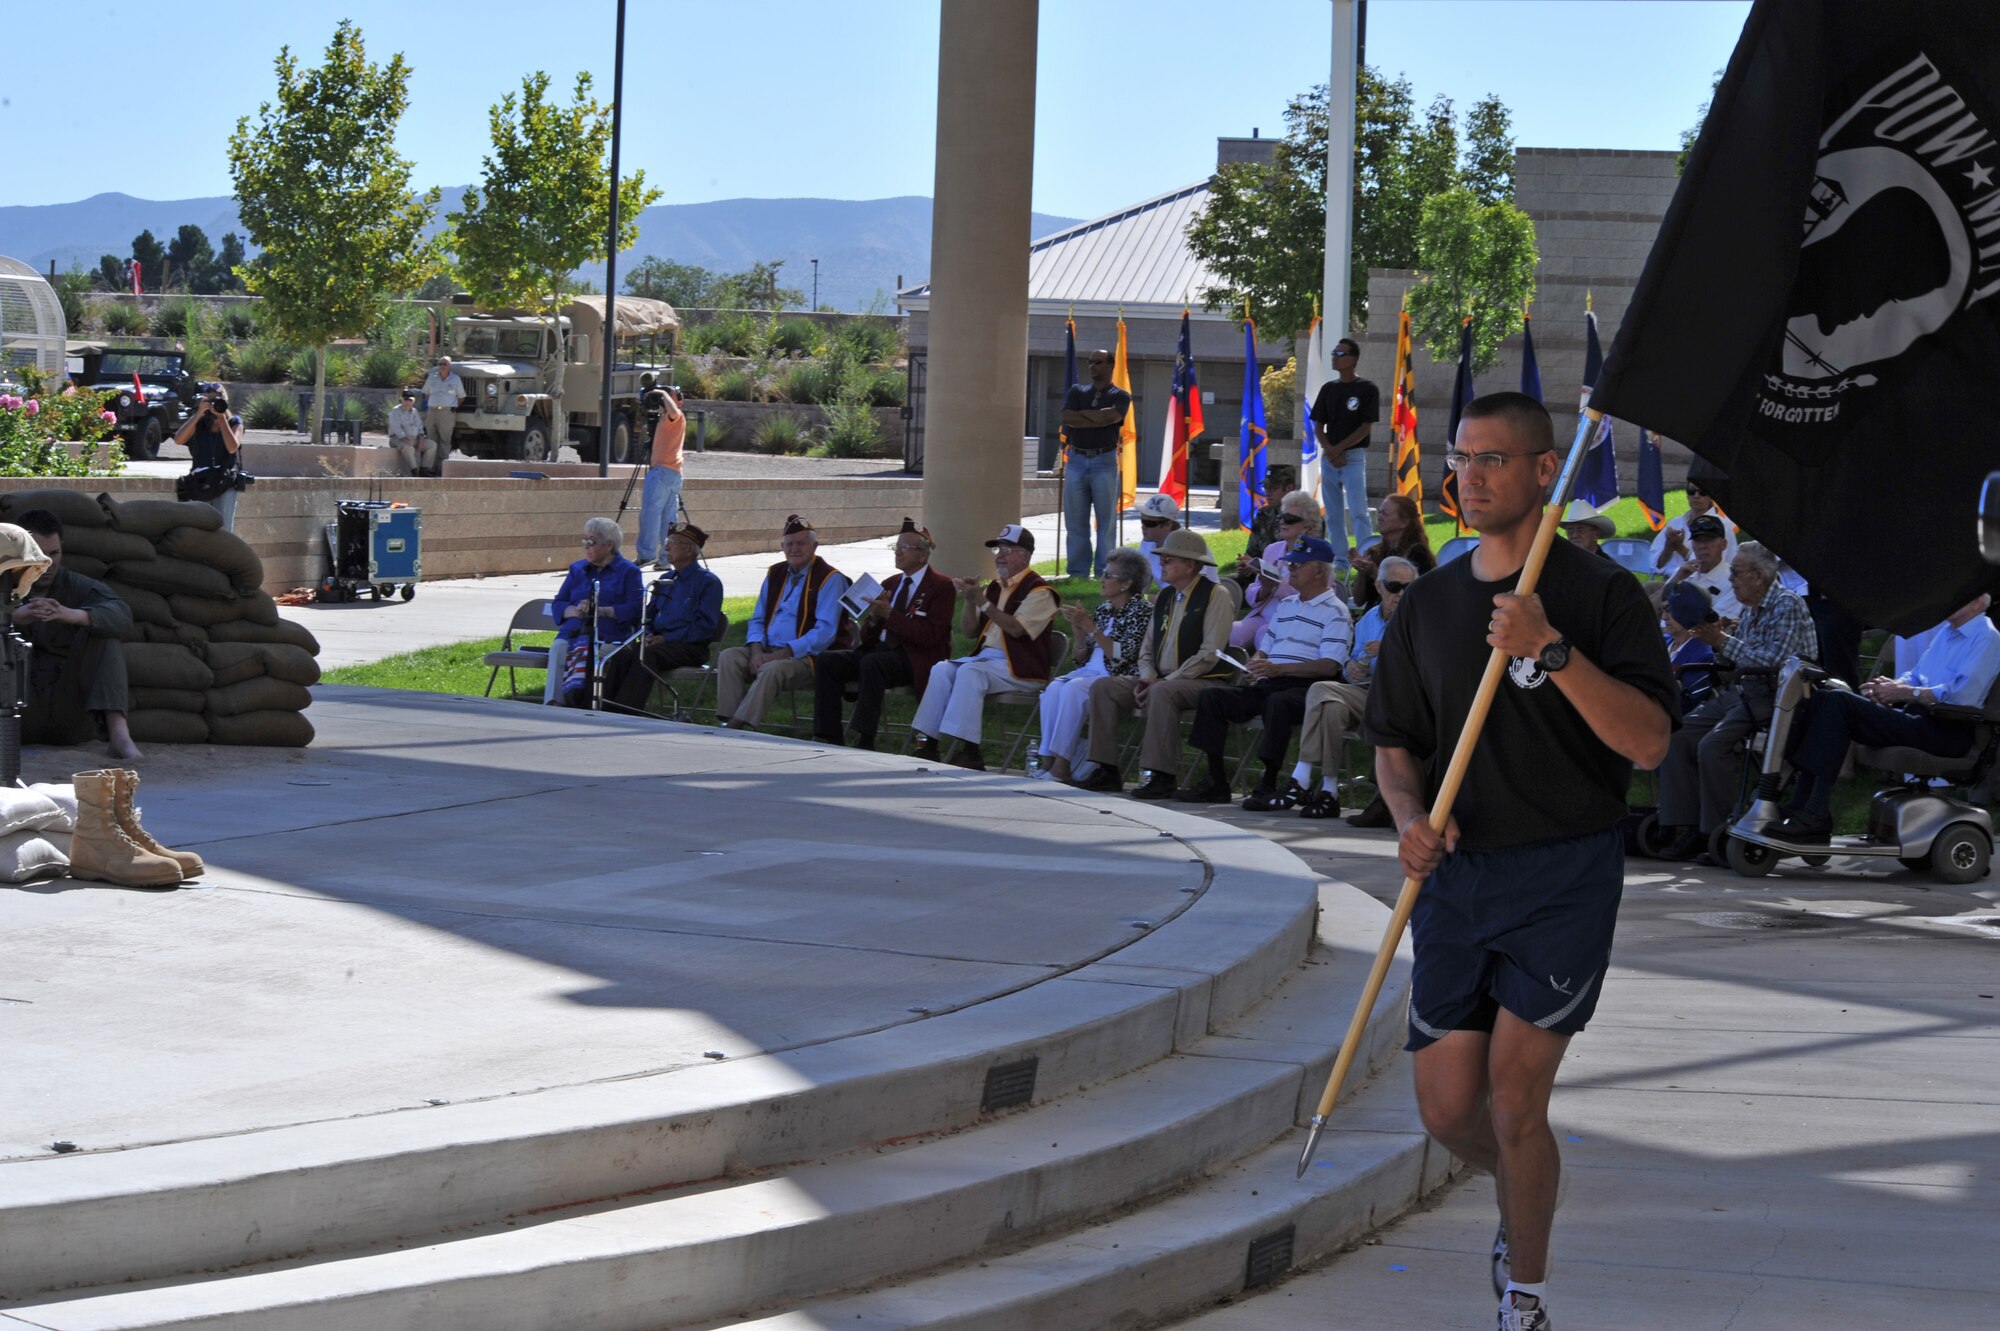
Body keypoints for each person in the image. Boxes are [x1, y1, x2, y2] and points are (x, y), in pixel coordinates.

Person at [1362, 392, 1675, 1331]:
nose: (1471, 475)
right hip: (1455, 881)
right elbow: (1393, 747)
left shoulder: (1603, 595)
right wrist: (1411, 818)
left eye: (1495, 458)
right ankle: (1524, 1192)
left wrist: (1550, 647)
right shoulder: (1428, 603)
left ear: (1547, 469)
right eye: (1463, 457)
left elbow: (1651, 743)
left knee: (1512, 1097)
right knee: (1449, 1110)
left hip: (1562, 876)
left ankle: (1525, 1295)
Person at [1773, 594, 2000, 841]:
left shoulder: (1987, 638)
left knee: (1838, 702)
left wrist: (1906, 692)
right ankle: (1802, 808)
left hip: (1948, 730)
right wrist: (1891, 685)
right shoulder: (1947, 632)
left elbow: (1962, 697)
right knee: (1825, 699)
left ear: (1978, 602)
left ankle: (1813, 814)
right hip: (1920, 719)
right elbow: (1916, 676)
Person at [1653, 541, 1818, 859]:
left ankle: (1714, 831)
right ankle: (1681, 823)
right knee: (1678, 734)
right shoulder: (1752, 608)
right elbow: (1738, 659)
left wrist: (1723, 640)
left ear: (1758, 576)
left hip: (1779, 697)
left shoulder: (1787, 604)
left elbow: (1775, 660)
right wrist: (1717, 640)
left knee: (1712, 746)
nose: (1731, 580)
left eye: (1736, 573)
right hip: (1744, 691)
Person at [1178, 536, 1354, 808]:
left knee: (1278, 703)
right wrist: (1256, 664)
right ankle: (1215, 781)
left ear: (1319, 570)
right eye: (1290, 564)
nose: (1290, 569)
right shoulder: (1286, 605)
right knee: (1212, 697)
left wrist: (1277, 668)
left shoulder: (1336, 612)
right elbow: (1266, 648)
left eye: (1298, 565)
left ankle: (1268, 783)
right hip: (1271, 680)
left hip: (1311, 688)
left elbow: (1330, 665)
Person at [1074, 528, 1236, 797]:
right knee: (1104, 687)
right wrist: (1147, 675)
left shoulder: (1215, 595)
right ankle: (1105, 769)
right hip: (1160, 680)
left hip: (1202, 681)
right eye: (1162, 558)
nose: (1162, 562)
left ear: (1190, 565)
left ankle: (1161, 775)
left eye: (1169, 559)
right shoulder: (1165, 597)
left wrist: (1166, 681)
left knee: (1162, 692)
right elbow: (1147, 648)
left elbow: (1210, 653)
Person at [911, 523, 1060, 771]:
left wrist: (982, 601)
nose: (1000, 556)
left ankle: (970, 752)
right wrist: (971, 602)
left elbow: (1015, 629)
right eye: (997, 550)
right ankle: (928, 744)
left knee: (970, 673)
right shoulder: (994, 587)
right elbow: (970, 632)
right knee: (941, 669)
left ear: (1024, 555)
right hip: (988, 662)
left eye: (1007, 550)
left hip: (1022, 667)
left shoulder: (1040, 591)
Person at [812, 518, 956, 750]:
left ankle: (864, 736)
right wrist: (875, 618)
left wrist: (890, 615)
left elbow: (931, 636)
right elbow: (870, 636)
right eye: (895, 547)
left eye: (904, 548)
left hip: (913, 657)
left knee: (873, 663)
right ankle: (828, 735)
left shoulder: (941, 586)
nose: (897, 552)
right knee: (828, 660)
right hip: (879, 652)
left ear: (922, 555)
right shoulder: (890, 582)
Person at [11, 511, 142, 761]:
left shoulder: (77, 585)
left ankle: (119, 737)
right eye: (37, 554)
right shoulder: (5, 584)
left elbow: (122, 616)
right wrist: (13, 617)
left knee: (104, 633)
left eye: (54, 553)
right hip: (16, 711)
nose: (47, 563)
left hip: (67, 710)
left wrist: (74, 615)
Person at [1300, 554, 1416, 825]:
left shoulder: (1419, 620)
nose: (1400, 594)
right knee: (1328, 702)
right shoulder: (1367, 622)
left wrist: (1389, 652)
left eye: (1408, 588)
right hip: (1367, 692)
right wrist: (1353, 669)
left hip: (1400, 697)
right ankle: (1328, 789)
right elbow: (1352, 667)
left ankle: (1308, 778)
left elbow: (1424, 668)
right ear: (1379, 587)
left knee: (1324, 696)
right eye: (1394, 587)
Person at [716, 515, 851, 731]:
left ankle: (737, 725)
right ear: (782, 546)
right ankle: (726, 718)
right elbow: (758, 618)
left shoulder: (830, 578)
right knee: (729, 657)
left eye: (801, 543)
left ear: (815, 546)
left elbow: (824, 633)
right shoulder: (775, 573)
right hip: (769, 649)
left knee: (773, 670)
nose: (794, 549)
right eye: (789, 544)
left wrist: (780, 654)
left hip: (807, 658)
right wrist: (756, 651)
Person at [1034, 547, 1152, 783]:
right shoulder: (1104, 609)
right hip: (1089, 671)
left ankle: (1062, 766)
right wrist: (1078, 631)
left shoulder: (1142, 611)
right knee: (1053, 689)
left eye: (1108, 575)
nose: (1102, 579)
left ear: (1126, 583)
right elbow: (1080, 658)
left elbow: (1122, 655)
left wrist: (1090, 627)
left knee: (1072, 689)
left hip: (1117, 676)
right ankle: (1048, 761)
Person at [601, 521, 724, 717]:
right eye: (667, 542)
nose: (666, 548)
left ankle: (625, 712)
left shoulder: (708, 582)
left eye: (672, 542)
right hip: (658, 642)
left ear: (690, 550)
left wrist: (667, 639)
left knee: (648, 656)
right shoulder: (667, 578)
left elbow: (704, 627)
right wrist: (648, 634)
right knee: (623, 653)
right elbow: (648, 615)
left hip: (690, 647)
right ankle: (604, 710)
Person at [549, 516, 645, 707]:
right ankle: (554, 704)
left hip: (610, 636)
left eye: (591, 542)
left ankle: (586, 706)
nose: (586, 546)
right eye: (584, 541)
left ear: (609, 545)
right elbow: (558, 604)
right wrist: (575, 610)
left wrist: (603, 611)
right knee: (560, 648)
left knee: (595, 655)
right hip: (575, 633)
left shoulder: (629, 572)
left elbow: (636, 609)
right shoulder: (577, 569)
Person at [1059, 348, 1131, 578]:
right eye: (1090, 362)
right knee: (1075, 521)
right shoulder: (1077, 391)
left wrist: (1084, 416)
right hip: (1077, 459)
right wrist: (1097, 417)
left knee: (1106, 522)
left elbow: (1111, 417)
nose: (1092, 366)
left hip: (1105, 461)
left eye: (1098, 362)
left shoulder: (1120, 395)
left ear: (1110, 366)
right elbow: (1067, 417)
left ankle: (1104, 572)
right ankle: (1077, 572)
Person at [1310, 336, 1378, 573]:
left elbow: (1365, 428)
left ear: (1353, 359)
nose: (1334, 358)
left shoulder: (1367, 389)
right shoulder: (1328, 389)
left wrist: (1339, 449)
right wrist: (1330, 450)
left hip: (1353, 457)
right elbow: (1318, 426)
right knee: (1333, 513)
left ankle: (1365, 556)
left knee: (1359, 511)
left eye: (1340, 354)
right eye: (1333, 353)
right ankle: (1340, 559)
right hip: (1329, 458)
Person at [1228, 489, 1320, 650]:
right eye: (1280, 517)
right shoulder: (1272, 549)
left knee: (1265, 634)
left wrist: (1276, 585)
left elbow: (1318, 596)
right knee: (1228, 633)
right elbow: (1252, 593)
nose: (1282, 522)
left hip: (1295, 621)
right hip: (1262, 615)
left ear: (1307, 526)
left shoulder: (1317, 555)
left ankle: (1263, 674)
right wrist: (1264, 588)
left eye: (1289, 519)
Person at [171, 388, 244, 530]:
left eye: (218, 399)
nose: (215, 404)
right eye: (211, 400)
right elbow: (178, 439)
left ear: (225, 401)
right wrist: (199, 413)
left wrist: (222, 418)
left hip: (224, 482)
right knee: (199, 530)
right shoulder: (200, 423)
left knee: (224, 530)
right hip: (200, 481)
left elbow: (232, 447)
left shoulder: (234, 422)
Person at [1350, 492, 1436, 610]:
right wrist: (1362, 572)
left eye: (1385, 513)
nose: (1379, 518)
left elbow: (1407, 598)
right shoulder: (1375, 552)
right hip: (1374, 620)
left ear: (1404, 522)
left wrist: (1374, 572)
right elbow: (1358, 600)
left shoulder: (1418, 554)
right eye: (1379, 512)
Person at [634, 386, 686, 568]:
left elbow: (673, 410)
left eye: (668, 397)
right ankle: (666, 559)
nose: (662, 400)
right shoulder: (665, 420)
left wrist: (663, 394)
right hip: (673, 473)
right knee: (668, 519)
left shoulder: (676, 416)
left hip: (662, 471)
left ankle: (646, 554)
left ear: (678, 401)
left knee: (650, 513)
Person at [1648, 478, 1738, 573]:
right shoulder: (1675, 523)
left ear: (1711, 496)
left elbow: (1713, 567)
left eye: (1702, 492)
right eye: (1691, 491)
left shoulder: (1722, 526)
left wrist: (1680, 548)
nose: (1696, 496)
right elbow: (1655, 566)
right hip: (1670, 582)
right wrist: (1668, 548)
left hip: (1703, 584)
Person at [1661, 514, 1742, 620]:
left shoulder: (1733, 582)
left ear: (1724, 544)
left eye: (1709, 540)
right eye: (1697, 540)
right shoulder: (1683, 572)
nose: (1702, 546)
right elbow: (1659, 609)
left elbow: (1714, 625)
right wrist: (1677, 579)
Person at [1135, 493, 1221, 586]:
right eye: (1142, 521)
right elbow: (1140, 583)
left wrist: (1159, 599)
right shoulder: (1148, 542)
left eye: (1149, 523)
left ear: (1168, 525)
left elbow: (1193, 588)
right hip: (1171, 597)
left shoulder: (1187, 543)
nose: (1143, 526)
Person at [1662, 582, 1719, 717]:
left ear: (1690, 611)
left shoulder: (1703, 656)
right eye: (1662, 610)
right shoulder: (1660, 642)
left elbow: (1684, 705)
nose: (1664, 617)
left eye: (1670, 610)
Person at [421, 356, 467, 464]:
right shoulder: (432, 377)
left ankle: (442, 468)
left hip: (447, 413)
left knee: (444, 441)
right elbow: (426, 394)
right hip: (432, 411)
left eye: (445, 364)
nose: (442, 366)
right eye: (440, 364)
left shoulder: (455, 379)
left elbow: (461, 397)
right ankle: (430, 467)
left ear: (450, 366)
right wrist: (435, 403)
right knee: (432, 440)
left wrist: (450, 406)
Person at [386, 389, 435, 476]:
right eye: (406, 399)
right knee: (408, 447)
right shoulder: (396, 411)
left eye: (410, 400)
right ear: (401, 400)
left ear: (413, 401)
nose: (408, 402)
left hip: (414, 439)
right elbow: (396, 428)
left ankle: (424, 469)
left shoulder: (414, 412)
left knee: (432, 445)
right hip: (397, 439)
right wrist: (404, 438)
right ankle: (414, 471)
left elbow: (420, 427)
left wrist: (421, 438)